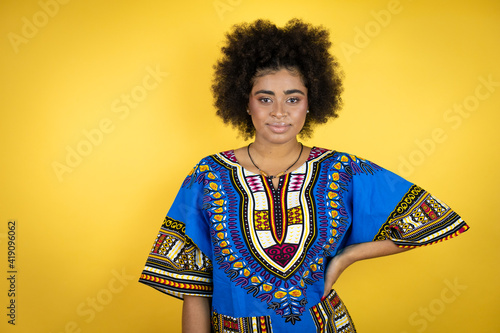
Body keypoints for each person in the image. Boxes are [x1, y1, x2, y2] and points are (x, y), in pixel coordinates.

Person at [138, 19, 469, 332]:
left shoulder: (341, 170)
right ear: (246, 104)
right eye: (264, 98)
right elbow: (194, 283)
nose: (279, 111)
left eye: (292, 99)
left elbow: (428, 219)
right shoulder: (209, 175)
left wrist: (348, 257)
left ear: (311, 103)